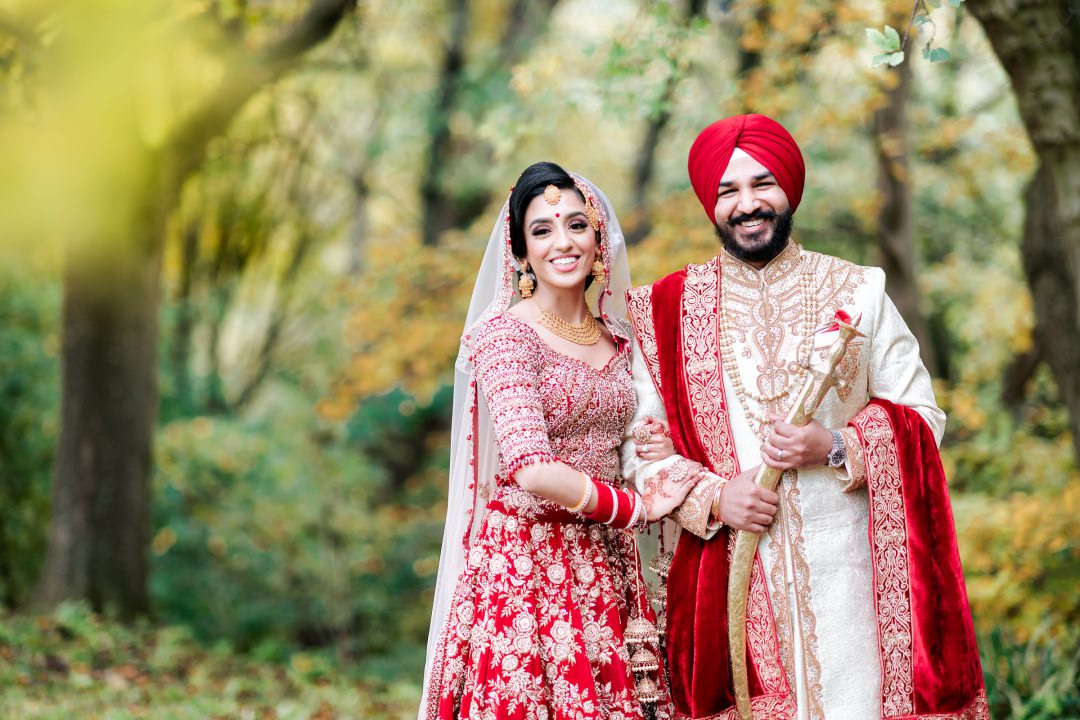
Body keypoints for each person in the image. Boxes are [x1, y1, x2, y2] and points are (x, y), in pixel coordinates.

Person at [620, 115, 988, 719]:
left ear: (789, 188)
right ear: (709, 204)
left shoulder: (858, 290)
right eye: (727, 192)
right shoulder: (663, 311)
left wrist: (837, 445)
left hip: (859, 583)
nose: (747, 204)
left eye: (762, 184)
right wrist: (716, 497)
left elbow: (925, 416)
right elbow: (638, 452)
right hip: (735, 584)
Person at [419, 162, 704, 720]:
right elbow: (531, 467)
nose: (563, 242)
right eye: (542, 231)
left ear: (599, 238)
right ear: (521, 253)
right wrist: (637, 509)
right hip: (525, 565)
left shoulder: (620, 339)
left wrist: (656, 447)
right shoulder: (504, 336)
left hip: (606, 563)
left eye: (576, 224)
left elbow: (635, 433)